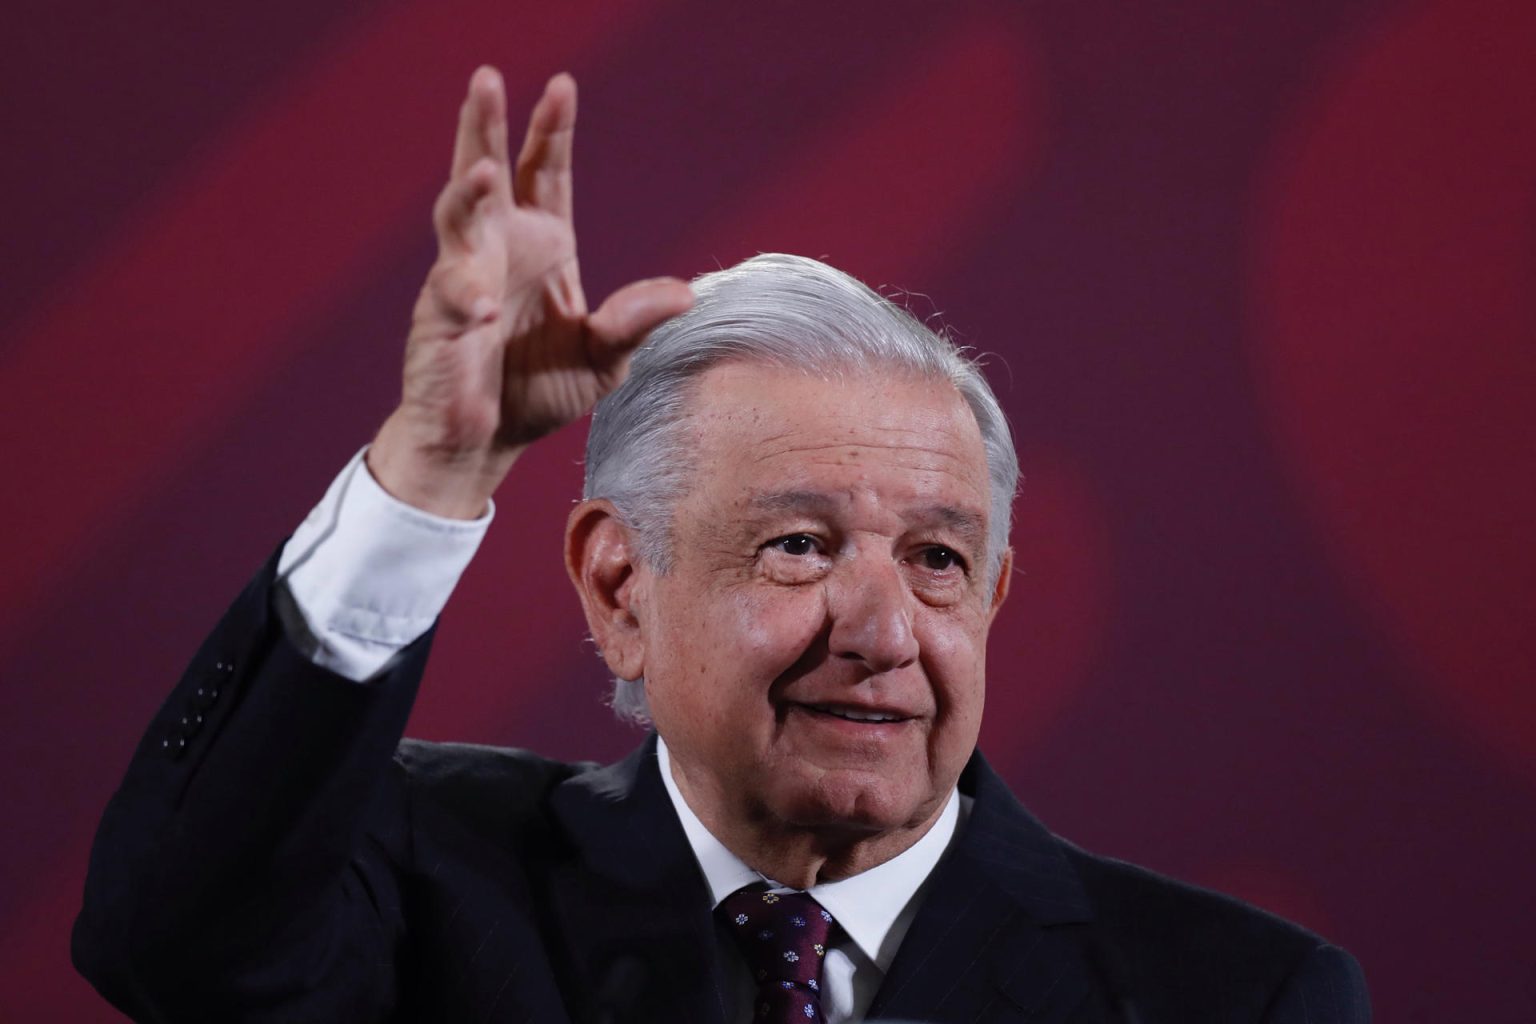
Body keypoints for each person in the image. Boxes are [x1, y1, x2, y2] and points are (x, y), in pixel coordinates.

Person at [72, 67, 1370, 1023]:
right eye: (801, 545)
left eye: (938, 561)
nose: (880, 633)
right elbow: (172, 943)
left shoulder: (1240, 998)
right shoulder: (417, 873)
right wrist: (439, 463)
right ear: (619, 585)